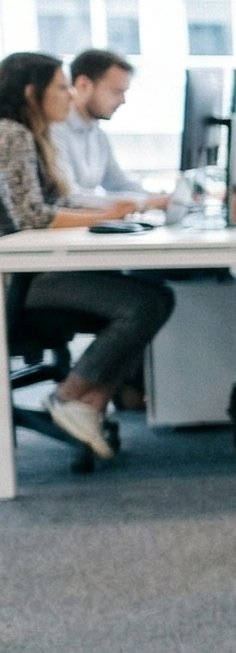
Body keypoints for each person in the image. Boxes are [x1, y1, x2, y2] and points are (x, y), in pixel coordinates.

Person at [0, 52, 169, 459]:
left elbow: (56, 203)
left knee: (154, 296)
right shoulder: (12, 134)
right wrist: (107, 215)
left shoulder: (32, 135)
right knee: (145, 303)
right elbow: (32, 216)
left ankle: (87, 404)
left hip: (35, 271)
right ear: (31, 93)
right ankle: (69, 397)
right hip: (18, 280)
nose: (69, 94)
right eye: (61, 87)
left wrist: (116, 212)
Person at [54, 50, 147, 208]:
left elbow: (119, 183)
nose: (122, 100)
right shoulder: (54, 129)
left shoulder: (97, 133)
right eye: (116, 92)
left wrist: (166, 199)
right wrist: (145, 203)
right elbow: (70, 198)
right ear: (83, 85)